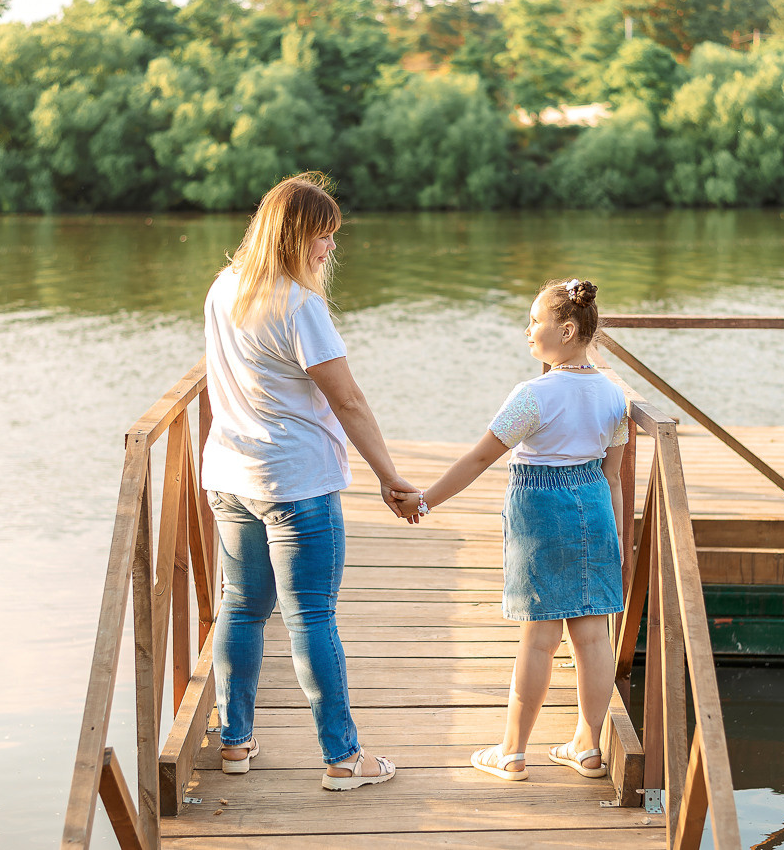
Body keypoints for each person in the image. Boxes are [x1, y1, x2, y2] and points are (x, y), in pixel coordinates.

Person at [201, 172, 413, 791]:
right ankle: (343, 758)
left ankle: (235, 743)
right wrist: (390, 477)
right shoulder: (299, 304)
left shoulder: (224, 289)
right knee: (311, 617)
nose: (329, 250)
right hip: (294, 482)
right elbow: (347, 401)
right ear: (296, 236)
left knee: (241, 610)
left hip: (231, 476)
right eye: (323, 237)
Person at [394, 278, 628, 782]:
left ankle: (513, 752)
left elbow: (480, 456)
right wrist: (620, 542)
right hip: (595, 511)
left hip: (542, 515)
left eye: (535, 322)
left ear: (566, 330)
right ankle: (588, 747)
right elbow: (612, 477)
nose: (527, 330)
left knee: (538, 639)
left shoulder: (533, 396)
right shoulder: (613, 395)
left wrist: (426, 500)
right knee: (591, 635)